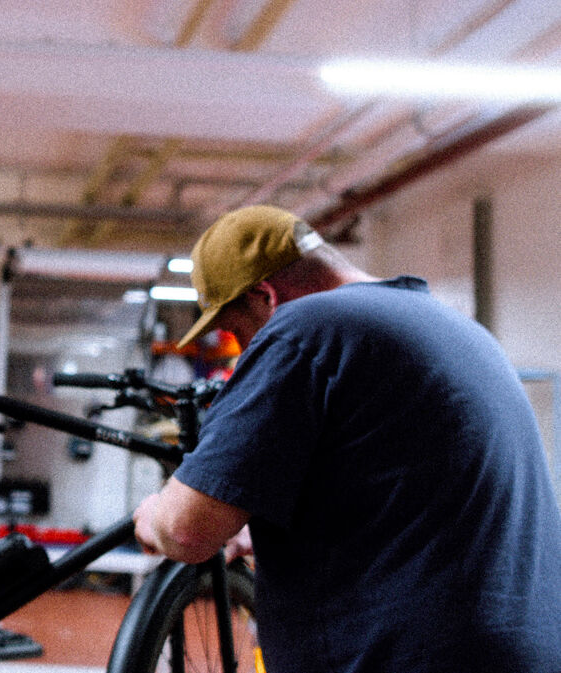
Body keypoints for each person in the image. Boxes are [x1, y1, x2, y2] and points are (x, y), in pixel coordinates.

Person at [133, 205, 561, 672]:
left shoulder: (306, 328)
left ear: (266, 296)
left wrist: (155, 515)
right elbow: (410, 504)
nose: (243, 351)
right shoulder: (454, 327)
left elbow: (185, 530)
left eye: (237, 333)